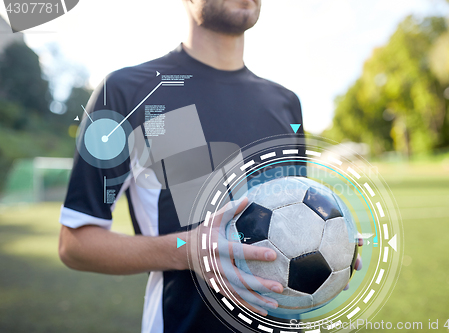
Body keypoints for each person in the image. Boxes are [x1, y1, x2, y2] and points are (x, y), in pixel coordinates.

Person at [58, 1, 362, 332]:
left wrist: (333, 247)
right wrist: (186, 250)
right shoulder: (128, 91)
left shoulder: (286, 103)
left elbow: (295, 224)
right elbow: (75, 243)